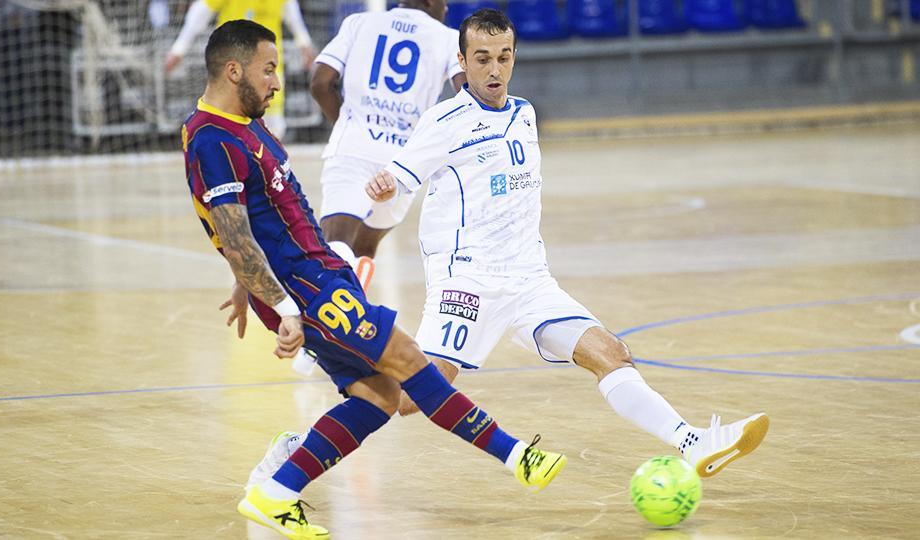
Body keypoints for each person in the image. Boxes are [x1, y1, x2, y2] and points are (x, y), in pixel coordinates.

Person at [252, 9, 769, 488]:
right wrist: (387, 181)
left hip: (529, 282)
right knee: (407, 397)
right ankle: (295, 450)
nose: (494, 69)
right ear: (462, 62)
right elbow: (403, 170)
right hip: (468, 284)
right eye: (482, 59)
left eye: (503, 57)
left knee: (611, 352)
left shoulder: (524, 113)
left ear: (514, 58)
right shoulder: (444, 123)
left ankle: (694, 442)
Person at [183, 20, 566, 539]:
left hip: (315, 273)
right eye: (268, 70)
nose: (277, 82)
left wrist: (245, 283)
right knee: (407, 359)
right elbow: (232, 236)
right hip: (307, 286)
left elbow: (249, 221)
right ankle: (516, 455)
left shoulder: (241, 122)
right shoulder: (212, 138)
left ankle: (275, 490)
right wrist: (280, 303)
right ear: (234, 70)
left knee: (379, 395)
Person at [310, 0, 467, 290]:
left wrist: (346, 122)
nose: (445, 8)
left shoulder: (359, 23)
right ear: (431, 2)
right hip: (404, 162)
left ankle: (330, 322)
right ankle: (356, 303)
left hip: (353, 148)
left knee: (336, 244)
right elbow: (467, 95)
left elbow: (321, 83)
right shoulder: (448, 37)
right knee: (365, 245)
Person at [166, 0, 317, 138]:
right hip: (232, 64)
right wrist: (179, 49)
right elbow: (201, 12)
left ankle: (266, 164)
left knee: (272, 126)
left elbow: (293, 16)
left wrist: (305, 44)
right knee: (227, 122)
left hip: (268, 66)